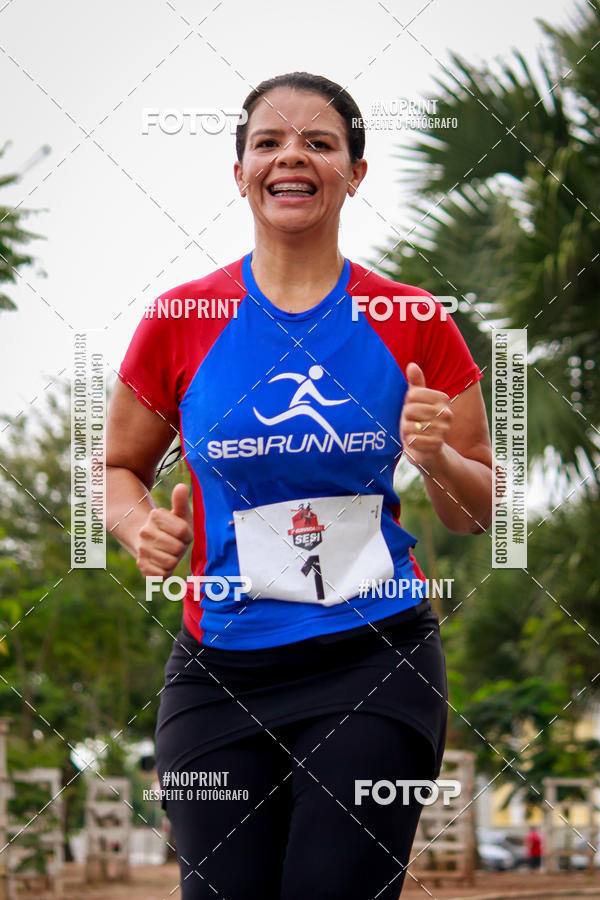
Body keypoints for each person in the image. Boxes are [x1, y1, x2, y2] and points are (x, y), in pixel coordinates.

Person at [106, 72, 492, 899]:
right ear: (240, 170)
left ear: (355, 171)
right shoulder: (180, 320)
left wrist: (436, 458)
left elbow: (476, 511)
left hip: (376, 657)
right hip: (221, 668)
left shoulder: (416, 320)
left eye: (320, 142)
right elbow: (115, 471)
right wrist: (138, 526)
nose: (292, 158)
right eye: (268, 142)